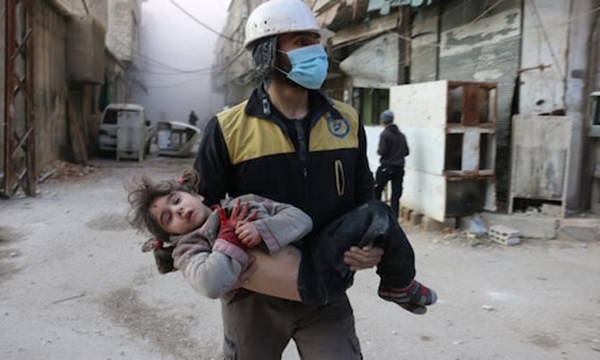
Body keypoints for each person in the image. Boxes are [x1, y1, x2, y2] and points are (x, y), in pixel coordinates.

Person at [193, 0, 421, 358]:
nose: (316, 51)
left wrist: (374, 248)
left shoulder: (345, 120)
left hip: (326, 292)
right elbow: (200, 209)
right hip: (254, 296)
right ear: (267, 53)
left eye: (316, 41)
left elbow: (365, 199)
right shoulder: (227, 128)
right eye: (301, 42)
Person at [126, 169, 437, 312]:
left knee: (378, 212)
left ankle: (398, 284)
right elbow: (209, 283)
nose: (179, 210)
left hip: (322, 263)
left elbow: (301, 221)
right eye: (169, 217)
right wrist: (230, 237)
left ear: (193, 193)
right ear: (169, 236)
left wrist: (263, 230)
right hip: (295, 292)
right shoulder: (188, 249)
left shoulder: (241, 203)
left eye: (177, 200)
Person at [374, 109, 410, 218]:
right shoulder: (401, 135)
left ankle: (378, 215)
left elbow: (381, 152)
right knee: (396, 195)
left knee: (376, 190)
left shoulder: (385, 134)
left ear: (383, 121)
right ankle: (394, 218)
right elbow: (407, 152)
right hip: (399, 168)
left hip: (386, 167)